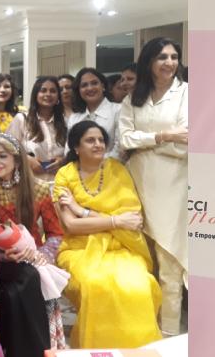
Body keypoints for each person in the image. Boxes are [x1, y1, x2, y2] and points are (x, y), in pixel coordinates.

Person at [53, 120, 161, 348]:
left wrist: (82, 211)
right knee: (95, 284)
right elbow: (71, 226)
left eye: (101, 140)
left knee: (140, 284)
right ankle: (99, 349)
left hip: (122, 247)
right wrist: (115, 220)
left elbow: (132, 221)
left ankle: (138, 349)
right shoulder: (65, 175)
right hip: (79, 248)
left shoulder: (117, 170)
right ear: (76, 147)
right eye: (90, 140)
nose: (98, 144)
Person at [0, 133, 66, 356]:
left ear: (17, 158)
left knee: (25, 281)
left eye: (2, 156)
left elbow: (55, 234)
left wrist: (41, 255)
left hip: (33, 261)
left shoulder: (39, 188)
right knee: (20, 284)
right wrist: (3, 256)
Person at [118, 37, 188, 336]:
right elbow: (124, 140)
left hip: (174, 185)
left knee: (170, 265)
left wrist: (145, 141)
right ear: (148, 62)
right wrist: (163, 137)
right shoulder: (134, 98)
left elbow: (186, 142)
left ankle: (169, 335)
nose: (169, 63)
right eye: (162, 57)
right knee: (140, 263)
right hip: (135, 184)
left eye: (173, 57)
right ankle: (142, 331)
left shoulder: (187, 93)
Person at [6, 77, 67, 182]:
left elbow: (73, 151)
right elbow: (7, 148)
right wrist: (27, 159)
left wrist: (62, 161)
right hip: (30, 183)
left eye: (53, 91)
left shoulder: (65, 122)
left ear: (58, 96)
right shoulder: (22, 119)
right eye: (43, 90)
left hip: (59, 183)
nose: (48, 94)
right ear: (35, 95)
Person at [66, 68, 122, 159]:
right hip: (80, 167)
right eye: (84, 85)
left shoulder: (119, 110)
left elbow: (120, 149)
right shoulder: (74, 118)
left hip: (111, 166)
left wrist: (94, 163)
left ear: (103, 86)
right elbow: (69, 149)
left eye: (94, 83)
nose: (90, 88)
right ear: (79, 90)